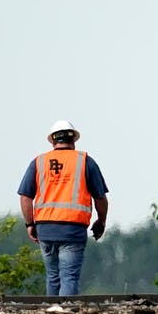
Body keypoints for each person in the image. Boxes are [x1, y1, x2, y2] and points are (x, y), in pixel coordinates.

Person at [17, 119, 110, 296]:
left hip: (45, 229)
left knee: (53, 276)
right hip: (72, 230)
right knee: (69, 277)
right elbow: (100, 197)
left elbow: (25, 197)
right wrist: (101, 221)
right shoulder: (85, 161)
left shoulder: (38, 162)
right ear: (73, 140)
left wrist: (30, 224)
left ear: (52, 141)